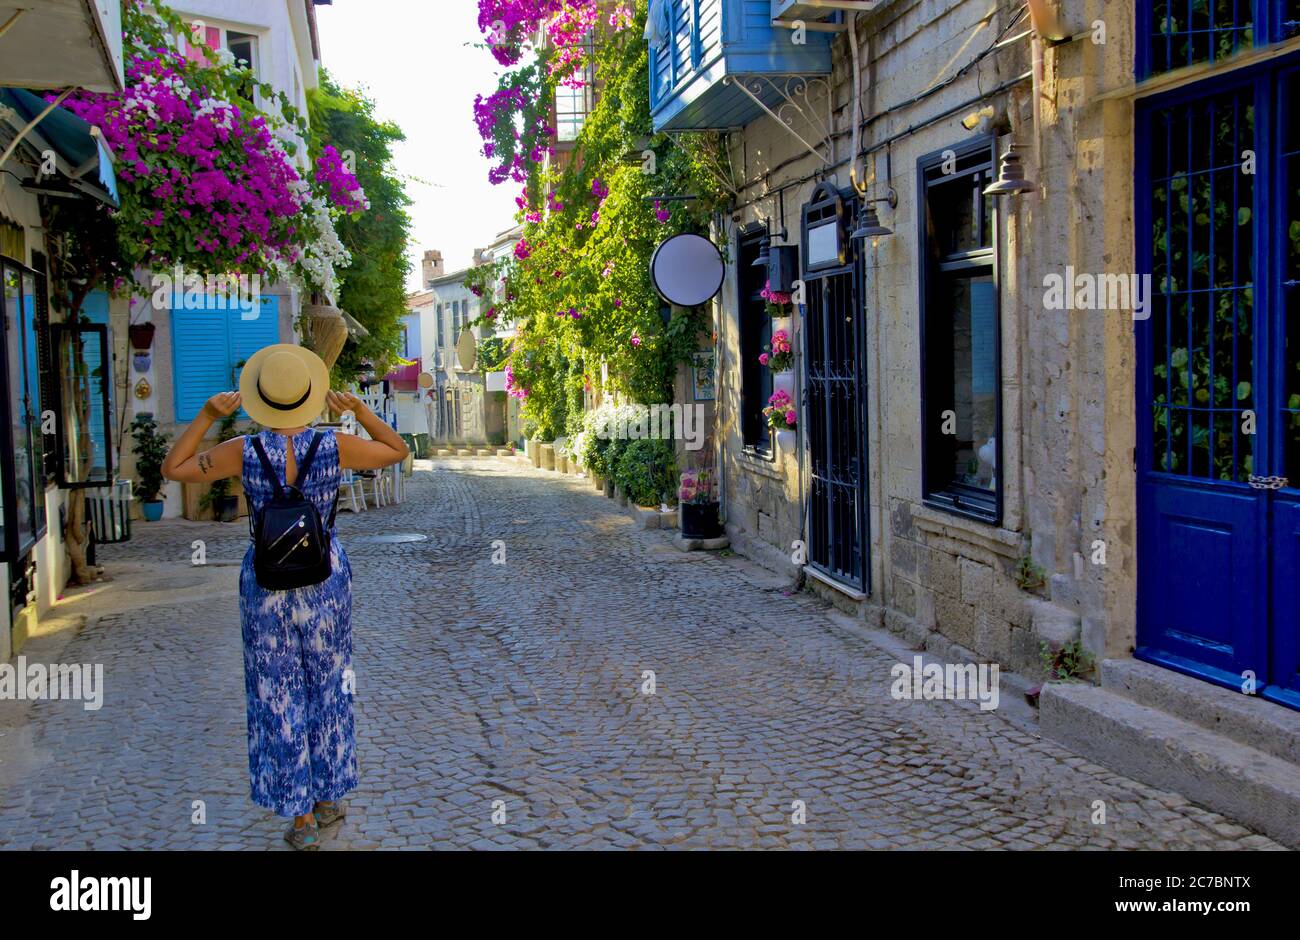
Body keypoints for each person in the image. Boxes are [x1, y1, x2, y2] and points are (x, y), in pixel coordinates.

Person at [161, 344, 408, 850]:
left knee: (276, 693)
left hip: (266, 582)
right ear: (310, 395)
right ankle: (327, 796)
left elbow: (175, 468)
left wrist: (208, 415)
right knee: (329, 686)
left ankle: (299, 818)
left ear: (260, 399)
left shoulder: (242, 452)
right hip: (325, 578)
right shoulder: (336, 446)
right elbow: (396, 450)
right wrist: (360, 410)